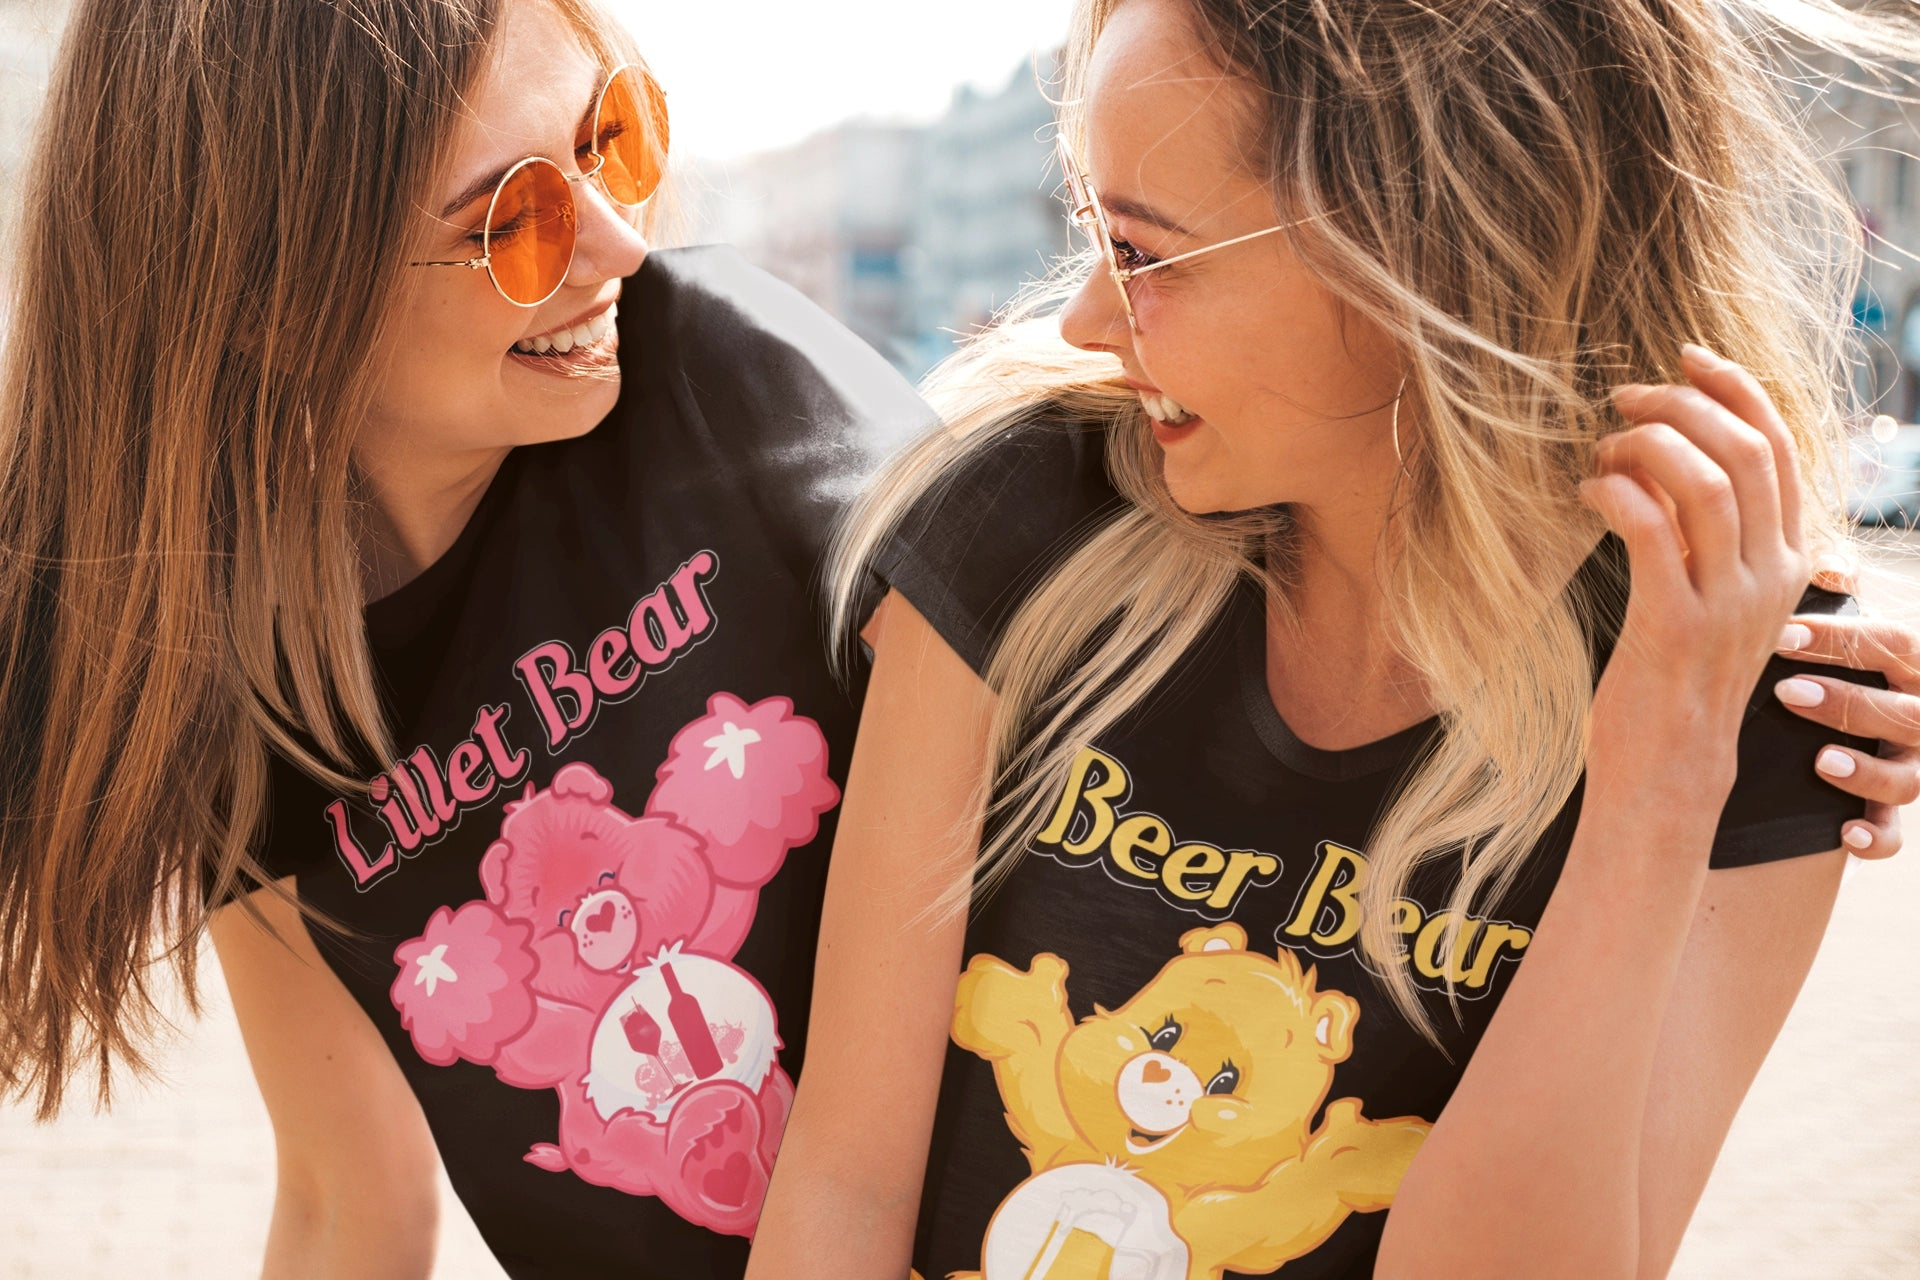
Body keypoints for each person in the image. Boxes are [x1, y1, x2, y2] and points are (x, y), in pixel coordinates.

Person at [748, 0, 1920, 1276]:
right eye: (1094, 233)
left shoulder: (1756, 705)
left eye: (1143, 252)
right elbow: (844, 1187)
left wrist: (1661, 782)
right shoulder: (1032, 522)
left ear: (1417, 257)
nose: (1085, 319)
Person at [0, 0, 931, 1275]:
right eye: (517, 222)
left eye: (611, 142)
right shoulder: (237, 687)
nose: (616, 245)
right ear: (270, 305)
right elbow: (348, 1201)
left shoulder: (731, 377)